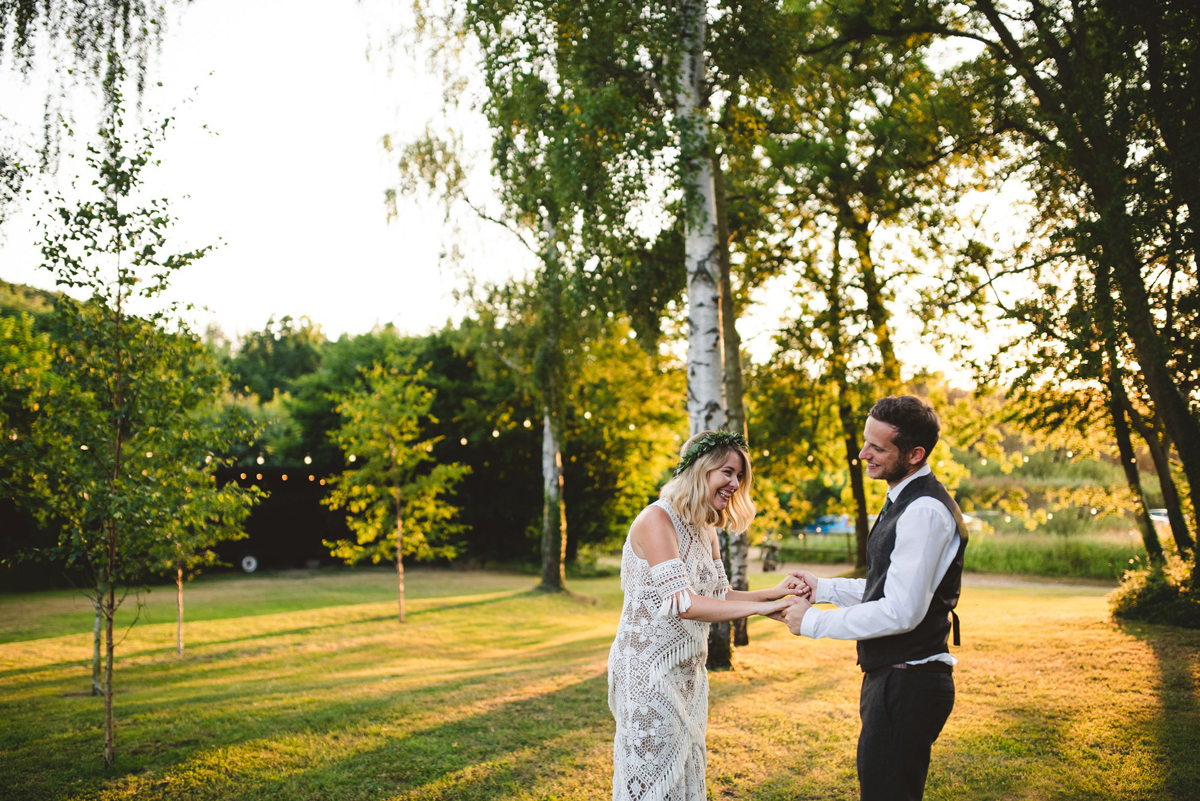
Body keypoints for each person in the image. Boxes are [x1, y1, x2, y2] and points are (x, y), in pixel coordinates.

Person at [772, 395, 968, 801]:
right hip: (893, 678)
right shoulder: (904, 499)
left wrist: (811, 622)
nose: (863, 454)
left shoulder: (924, 511)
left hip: (909, 683)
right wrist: (822, 589)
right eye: (866, 442)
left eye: (877, 448)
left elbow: (900, 612)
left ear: (914, 454)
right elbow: (886, 587)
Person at [608, 430, 805, 801]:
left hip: (688, 673)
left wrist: (774, 595)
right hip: (648, 671)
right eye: (728, 472)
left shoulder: (705, 528)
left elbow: (719, 596)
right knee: (653, 778)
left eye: (740, 477)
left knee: (686, 769)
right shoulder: (656, 519)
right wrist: (762, 607)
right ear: (700, 469)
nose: (735, 484)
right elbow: (682, 603)